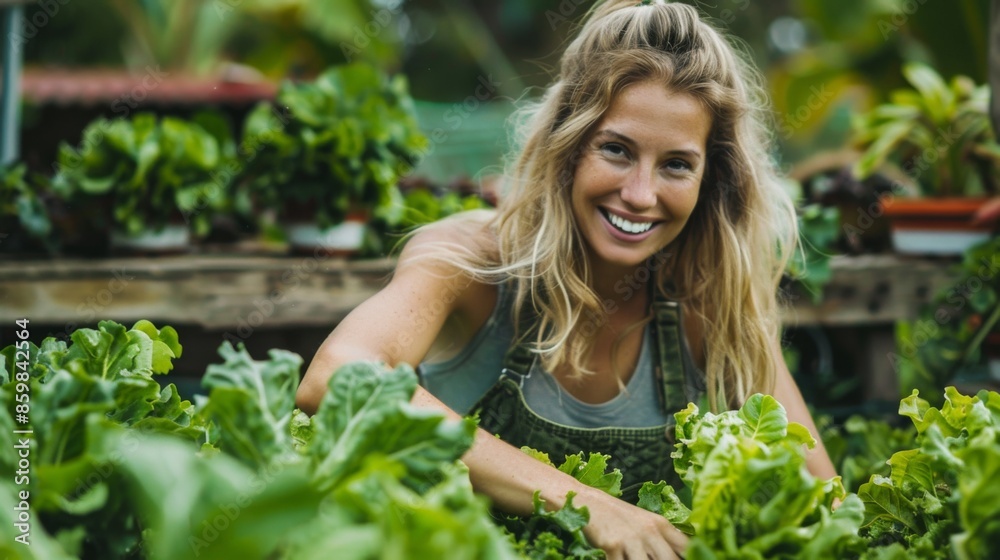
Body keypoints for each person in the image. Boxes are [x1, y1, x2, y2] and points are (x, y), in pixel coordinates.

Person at [297, 1, 837, 558]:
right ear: (567, 145)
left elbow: (825, 501)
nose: (640, 194)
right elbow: (336, 377)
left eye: (676, 164)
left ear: (710, 179)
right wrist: (587, 504)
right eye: (616, 150)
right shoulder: (471, 260)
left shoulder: (711, 301)